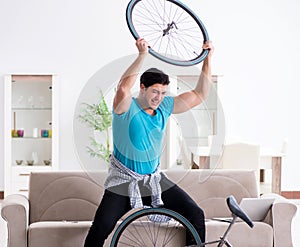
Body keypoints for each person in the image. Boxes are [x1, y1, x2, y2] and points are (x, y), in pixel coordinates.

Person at [84, 38, 214, 246]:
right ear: (142, 88)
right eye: (155, 91)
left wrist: (207, 58)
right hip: (124, 182)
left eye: (163, 93)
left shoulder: (164, 107)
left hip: (153, 180)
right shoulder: (126, 108)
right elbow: (123, 88)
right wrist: (141, 56)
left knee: (195, 214)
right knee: (101, 226)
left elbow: (200, 94)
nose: (159, 97)